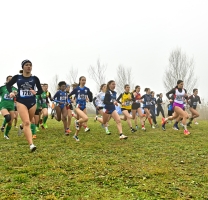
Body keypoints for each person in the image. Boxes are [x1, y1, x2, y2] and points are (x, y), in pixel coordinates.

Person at [6, 60, 43, 152]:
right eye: (26, 65)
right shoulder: (17, 77)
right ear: (23, 67)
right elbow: (8, 85)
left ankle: (21, 127)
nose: (29, 66)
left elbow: (41, 90)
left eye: (30, 65)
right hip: (21, 102)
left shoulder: (35, 78)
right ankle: (31, 145)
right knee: (27, 122)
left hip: (32, 102)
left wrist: (36, 92)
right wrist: (11, 92)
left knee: (28, 121)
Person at [68, 76, 93, 141]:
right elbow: (68, 96)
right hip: (78, 107)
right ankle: (76, 121)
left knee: (82, 122)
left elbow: (90, 99)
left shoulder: (87, 89)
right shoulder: (76, 89)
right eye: (82, 80)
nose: (84, 81)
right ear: (80, 81)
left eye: (85, 80)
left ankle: (75, 135)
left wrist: (89, 97)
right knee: (86, 118)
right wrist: (70, 101)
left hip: (84, 106)